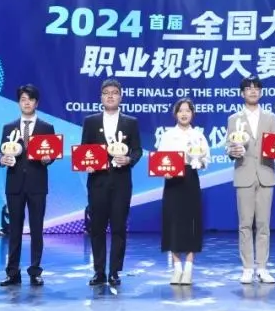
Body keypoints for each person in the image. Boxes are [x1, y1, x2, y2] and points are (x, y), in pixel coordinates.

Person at [80, 79, 143, 286]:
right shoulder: (91, 121)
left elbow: (137, 150)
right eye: (106, 92)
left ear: (120, 96)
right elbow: (84, 149)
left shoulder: (130, 122)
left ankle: (115, 271)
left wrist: (129, 159)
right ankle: (99, 271)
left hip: (121, 182)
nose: (110, 96)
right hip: (97, 182)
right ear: (101, 97)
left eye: (114, 92)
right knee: (97, 228)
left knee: (118, 228)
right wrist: (87, 163)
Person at [0, 84, 56, 287]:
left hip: (37, 184)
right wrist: (1, 158)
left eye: (30, 99)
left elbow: (52, 154)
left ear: (36, 103)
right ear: (18, 103)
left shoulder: (46, 128)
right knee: (14, 230)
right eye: (23, 99)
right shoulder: (9, 127)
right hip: (14, 184)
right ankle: (12, 272)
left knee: (36, 229)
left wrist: (48, 159)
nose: (26, 103)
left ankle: (35, 271)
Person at [226, 76, 275, 284]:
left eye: (256, 88)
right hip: (244, 173)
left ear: (261, 92)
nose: (253, 91)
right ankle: (247, 267)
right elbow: (229, 147)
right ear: (242, 93)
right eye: (249, 88)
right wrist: (232, 151)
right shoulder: (234, 119)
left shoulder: (271, 117)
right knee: (245, 224)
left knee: (264, 224)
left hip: (266, 173)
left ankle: (262, 267)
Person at [158, 98, 210, 285]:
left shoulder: (198, 135)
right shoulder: (168, 135)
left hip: (190, 179)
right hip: (172, 181)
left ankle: (188, 269)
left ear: (192, 114)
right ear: (175, 114)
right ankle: (177, 268)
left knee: (191, 222)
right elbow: (160, 159)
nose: (184, 114)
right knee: (172, 222)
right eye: (181, 110)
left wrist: (199, 162)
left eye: (188, 110)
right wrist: (165, 171)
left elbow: (206, 159)